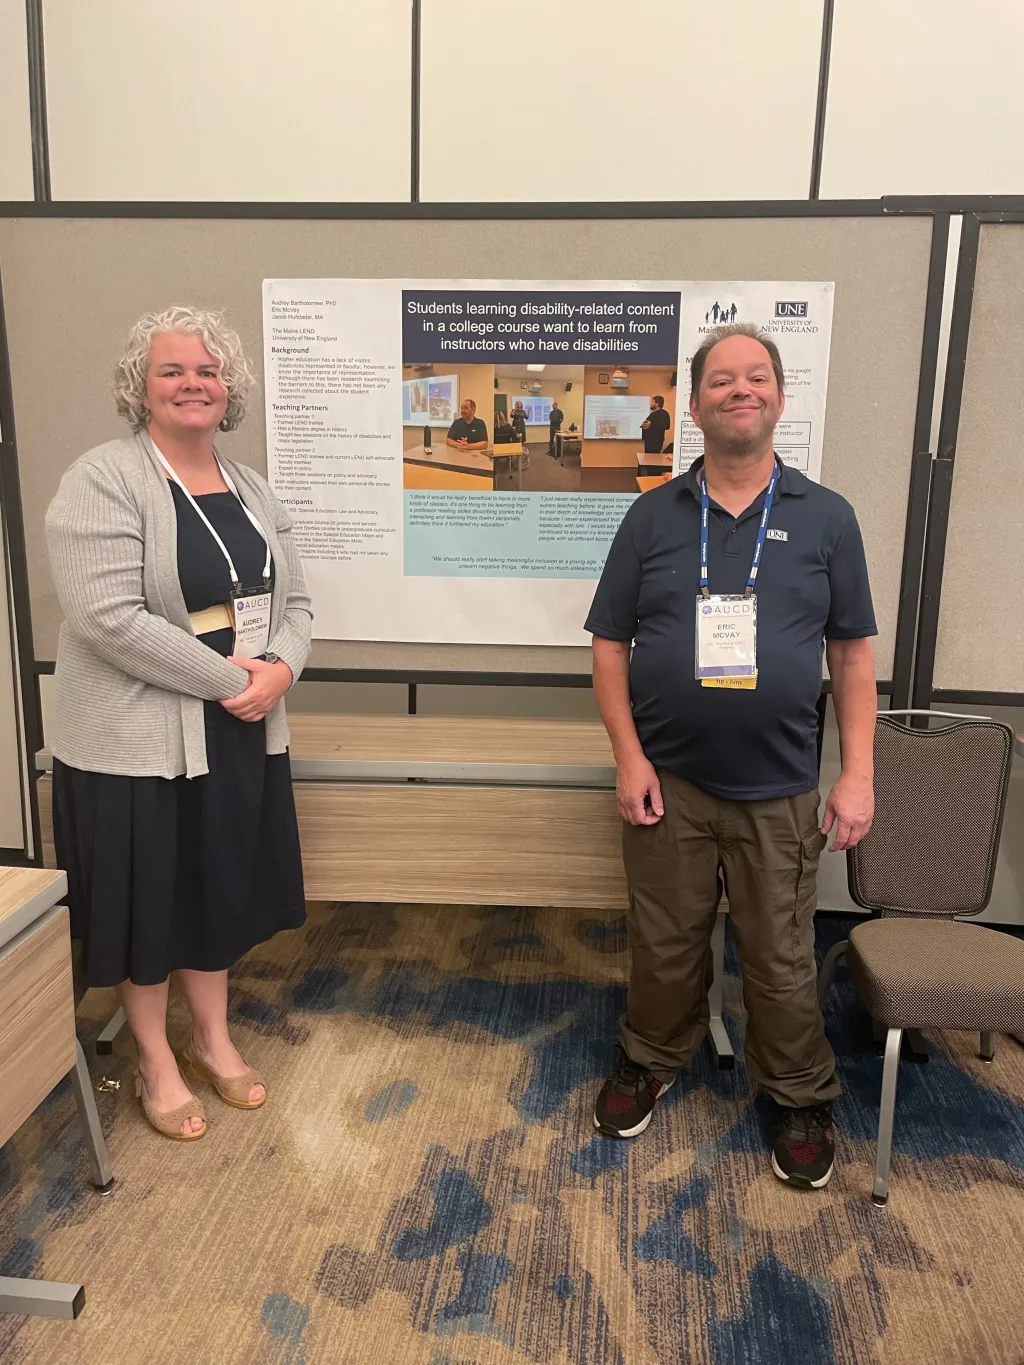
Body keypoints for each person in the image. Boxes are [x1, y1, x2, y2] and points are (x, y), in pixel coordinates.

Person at [585, 322, 877, 1190]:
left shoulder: (827, 518)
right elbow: (608, 646)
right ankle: (651, 1057)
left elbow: (853, 654)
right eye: (722, 380)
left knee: (782, 952)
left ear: (780, 398)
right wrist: (628, 757)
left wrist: (856, 772)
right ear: (696, 403)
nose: (739, 390)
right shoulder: (652, 516)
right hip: (668, 782)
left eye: (756, 377)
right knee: (665, 943)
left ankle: (795, 1092)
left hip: (782, 788)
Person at [46, 305, 312, 1142]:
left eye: (207, 369)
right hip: (134, 744)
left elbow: (295, 601)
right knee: (148, 901)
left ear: (227, 387)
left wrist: (283, 669)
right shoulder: (103, 478)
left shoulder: (251, 487)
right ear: (141, 387)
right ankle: (156, 1058)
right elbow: (107, 617)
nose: (193, 382)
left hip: (236, 727)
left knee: (215, 888)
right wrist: (235, 678)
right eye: (172, 370)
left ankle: (213, 1035)